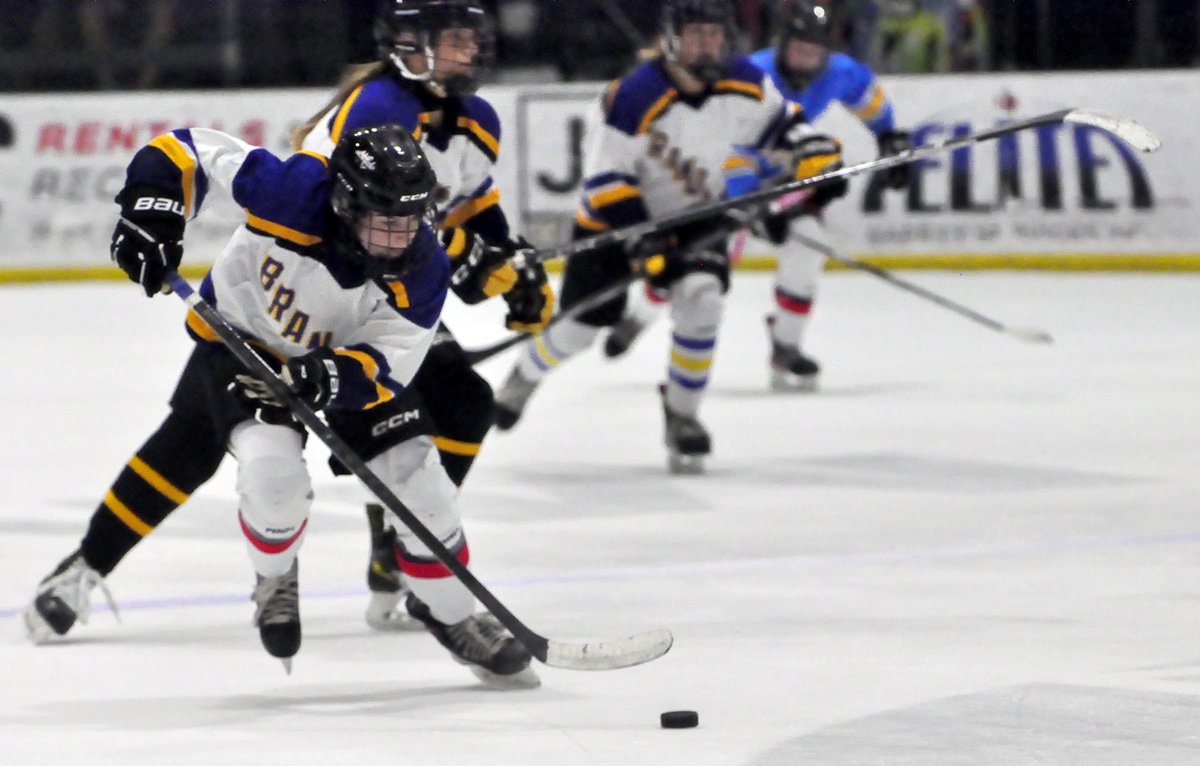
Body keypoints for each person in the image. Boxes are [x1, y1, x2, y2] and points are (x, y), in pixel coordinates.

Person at [23, 122, 538, 686]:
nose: (400, 238)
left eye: (410, 220)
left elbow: (391, 363)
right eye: (384, 221)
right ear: (345, 205)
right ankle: (273, 575)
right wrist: (151, 211)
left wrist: (329, 376)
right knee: (271, 481)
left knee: (424, 487)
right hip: (245, 345)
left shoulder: (422, 263)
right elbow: (185, 149)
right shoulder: (293, 191)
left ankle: (454, 616)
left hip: (343, 362)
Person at [292, 0, 552, 630]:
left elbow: (473, 207)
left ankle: (398, 544)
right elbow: (363, 222)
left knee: (464, 404)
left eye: (472, 39)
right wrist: (467, 259)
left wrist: (513, 264)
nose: (471, 51)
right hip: (331, 293)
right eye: (455, 40)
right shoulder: (378, 108)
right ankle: (411, 553)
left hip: (387, 292)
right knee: (426, 414)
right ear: (411, 45)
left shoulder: (475, 118)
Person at [491, 0, 835, 473]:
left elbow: (782, 125)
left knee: (703, 301)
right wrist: (645, 240)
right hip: (613, 223)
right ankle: (525, 376)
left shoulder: (745, 81)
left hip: (696, 215)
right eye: (696, 35)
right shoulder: (633, 95)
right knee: (580, 329)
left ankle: (682, 415)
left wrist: (815, 150)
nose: (708, 45)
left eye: (715, 35)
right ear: (671, 40)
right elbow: (606, 182)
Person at [602, 0, 910, 392]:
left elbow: (872, 104)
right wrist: (751, 202)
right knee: (694, 259)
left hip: (779, 176)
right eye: (798, 51)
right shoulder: (752, 75)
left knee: (809, 242)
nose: (805, 61)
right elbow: (729, 151)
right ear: (781, 46)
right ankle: (640, 316)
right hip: (720, 179)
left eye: (813, 53)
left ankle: (786, 344)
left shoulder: (841, 72)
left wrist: (889, 137)